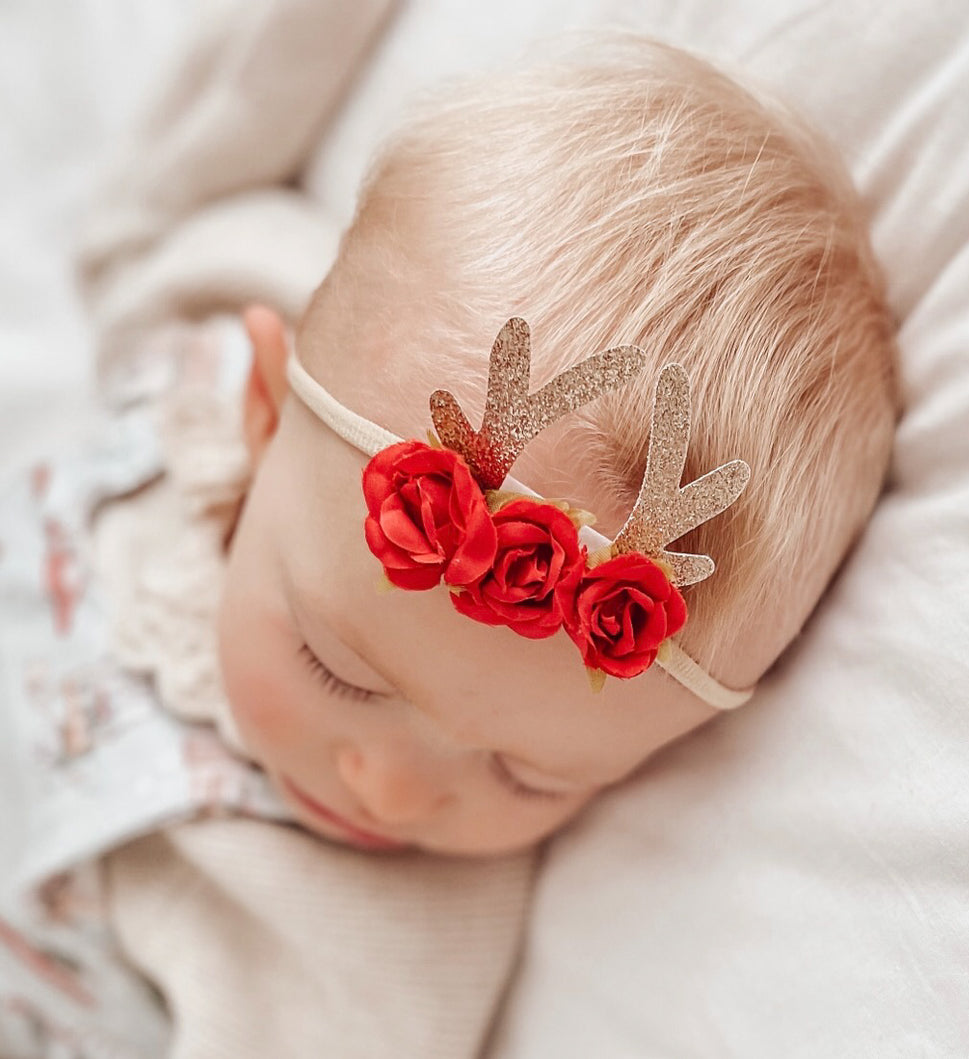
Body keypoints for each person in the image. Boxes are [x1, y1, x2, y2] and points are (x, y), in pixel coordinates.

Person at [0, 34, 897, 1058]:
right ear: (262, 412)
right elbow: (160, 210)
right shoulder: (240, 347)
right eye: (334, 668)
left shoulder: (356, 957)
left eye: (527, 777)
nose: (388, 791)